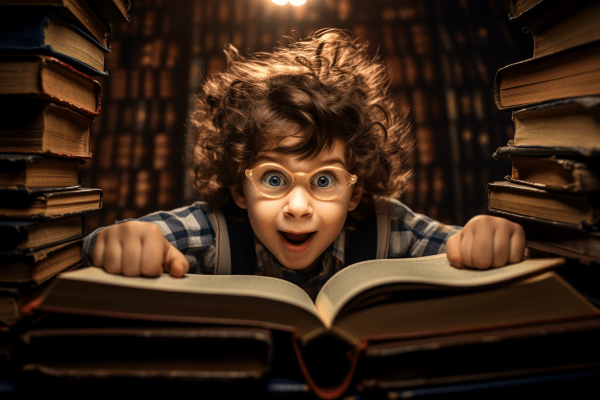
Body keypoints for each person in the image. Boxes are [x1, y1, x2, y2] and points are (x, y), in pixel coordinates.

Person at [85, 29, 525, 300]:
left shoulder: (391, 229)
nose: (298, 206)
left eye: (324, 179)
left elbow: (460, 246)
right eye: (273, 178)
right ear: (240, 188)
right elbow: (116, 244)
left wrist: (485, 237)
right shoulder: (211, 231)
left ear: (355, 192)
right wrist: (119, 241)